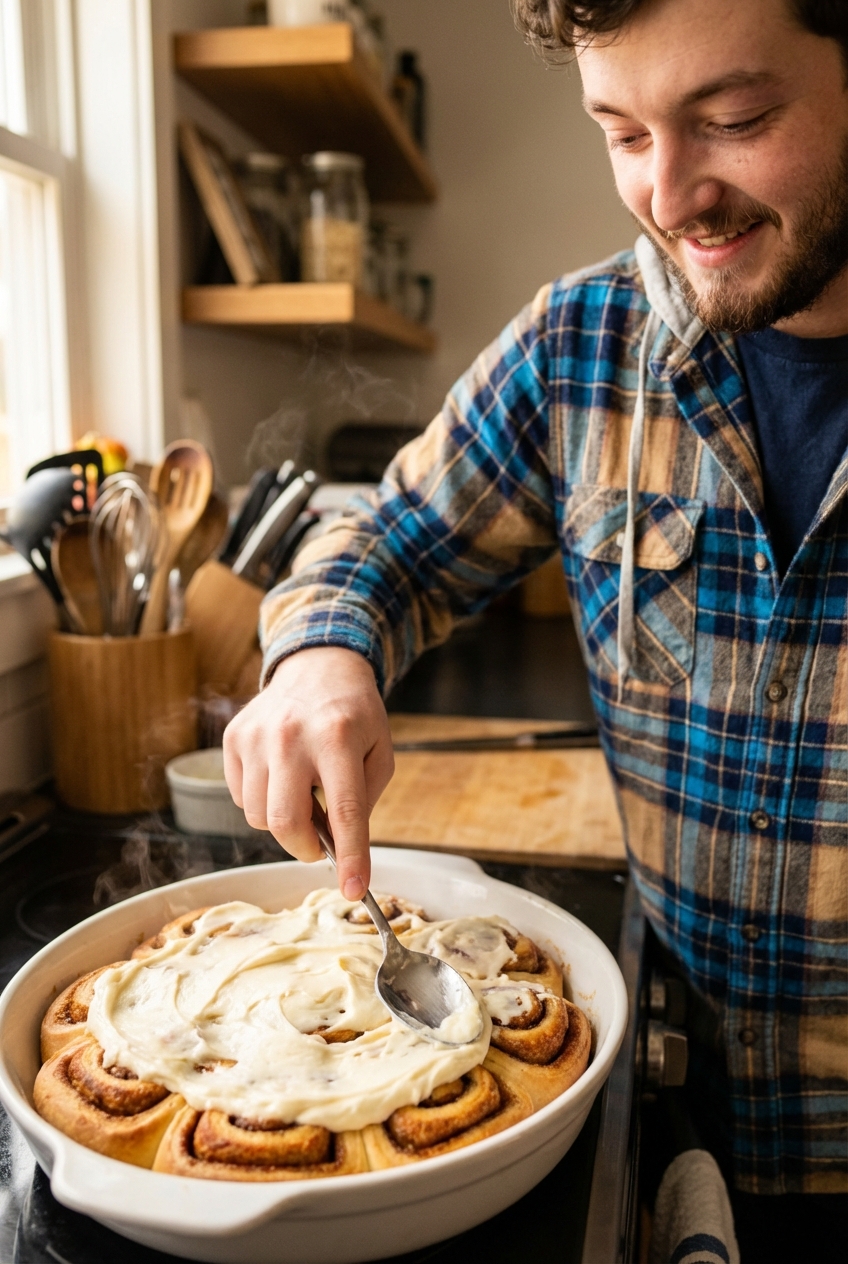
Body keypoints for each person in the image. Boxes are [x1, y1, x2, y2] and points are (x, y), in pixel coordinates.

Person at [223, 0, 847, 1257]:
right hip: (665, 1102)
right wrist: (321, 650)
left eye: (734, 120)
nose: (670, 196)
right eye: (620, 133)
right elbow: (382, 537)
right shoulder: (579, 348)